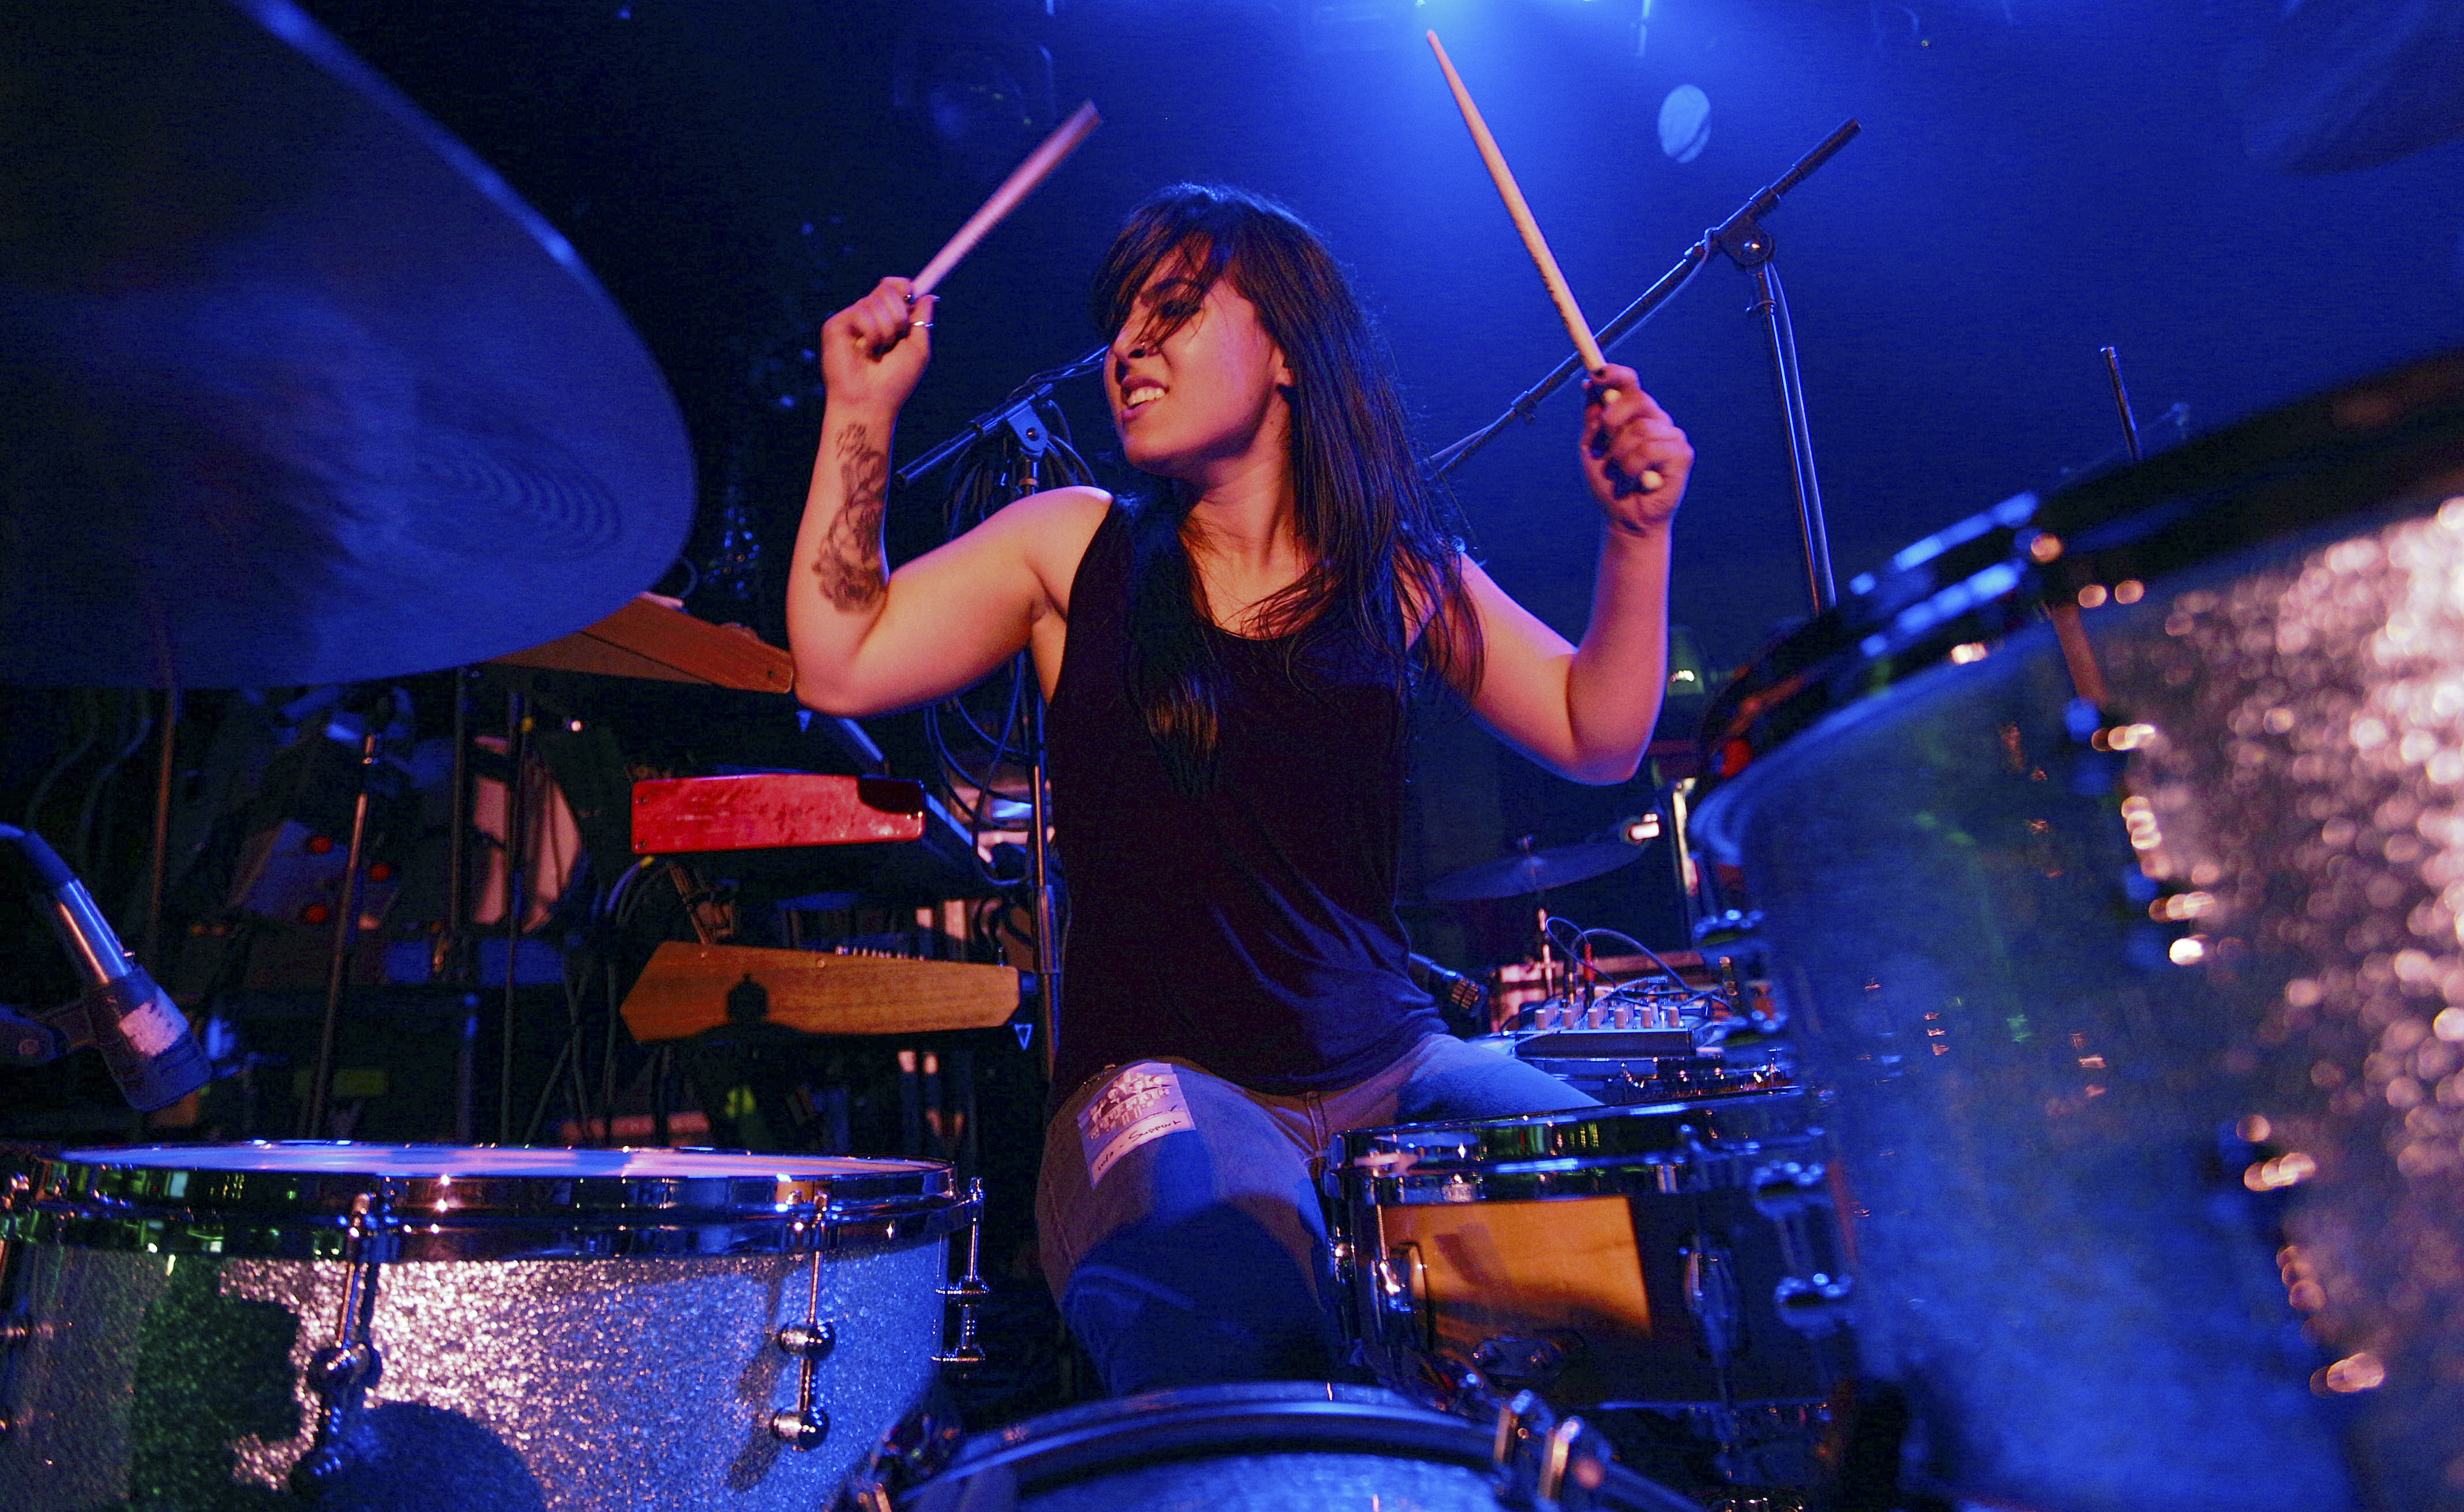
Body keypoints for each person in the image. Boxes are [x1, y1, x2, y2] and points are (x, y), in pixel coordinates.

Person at [786, 184, 1692, 1395]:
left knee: (1633, 1210)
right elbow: (842, 657)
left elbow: (1596, 732)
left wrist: (1638, 538)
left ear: (1289, 355)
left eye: (1174, 310)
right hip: (1158, 1079)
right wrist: (860, 411)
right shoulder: (1073, 547)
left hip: (1393, 1062)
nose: (1129, 347)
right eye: (1121, 320)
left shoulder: (1399, 570)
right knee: (1233, 1289)